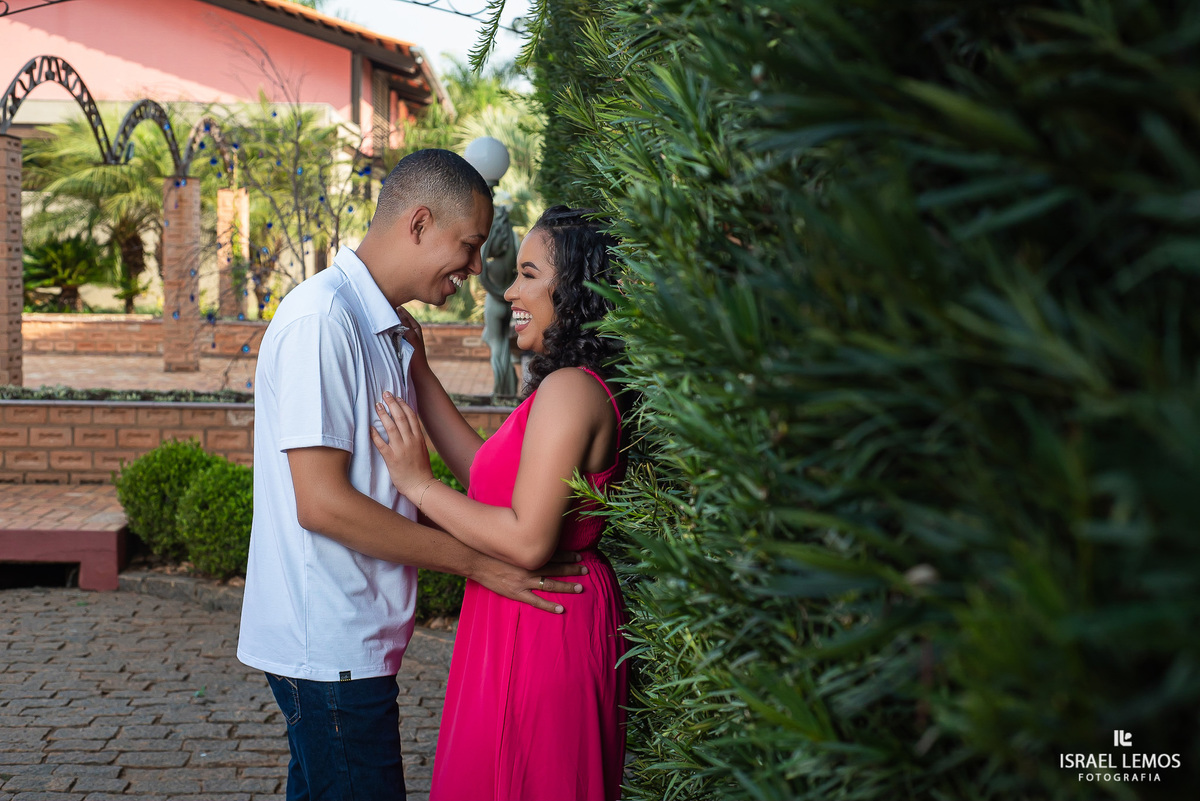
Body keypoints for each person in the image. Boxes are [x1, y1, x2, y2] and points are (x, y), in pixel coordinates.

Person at [236, 151, 587, 801]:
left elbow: (388, 484)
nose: (478, 267)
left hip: (356, 640)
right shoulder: (324, 320)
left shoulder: (388, 332)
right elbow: (323, 504)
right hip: (331, 645)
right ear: (420, 223)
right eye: (471, 244)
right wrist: (478, 563)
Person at [370, 205, 630, 800]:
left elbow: (527, 540)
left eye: (530, 274)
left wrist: (418, 486)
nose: (510, 289)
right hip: (531, 610)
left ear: (578, 287)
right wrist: (421, 373)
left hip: (544, 619)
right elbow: (489, 476)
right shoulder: (572, 383)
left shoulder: (570, 391)